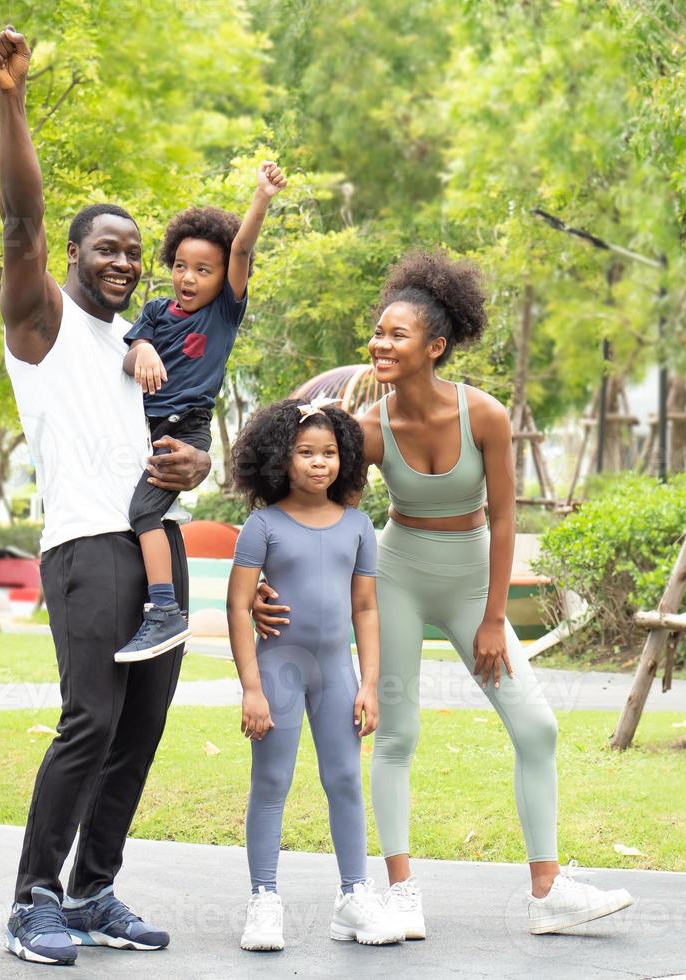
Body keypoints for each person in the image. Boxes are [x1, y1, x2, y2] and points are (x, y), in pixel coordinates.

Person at [253, 251, 634, 939]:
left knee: (536, 727)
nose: (379, 344)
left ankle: (546, 891)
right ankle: (400, 892)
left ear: (435, 346)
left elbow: (508, 517)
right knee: (397, 735)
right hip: (398, 574)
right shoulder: (366, 431)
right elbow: (306, 506)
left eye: (396, 334)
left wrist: (493, 617)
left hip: (470, 581)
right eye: (377, 332)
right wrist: (261, 588)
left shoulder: (483, 415)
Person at [0, 26, 212, 965]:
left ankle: (91, 891)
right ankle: (31, 901)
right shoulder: (41, 326)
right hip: (85, 548)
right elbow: (21, 224)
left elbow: (178, 453)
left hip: (158, 551)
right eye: (106, 248)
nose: (124, 262)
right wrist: (11, 100)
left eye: (134, 254)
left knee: (143, 729)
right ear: (73, 255)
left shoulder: (141, 352)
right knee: (93, 720)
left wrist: (192, 470)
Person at [226, 400, 403, 951]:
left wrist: (370, 683)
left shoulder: (357, 527)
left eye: (329, 453)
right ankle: (263, 900)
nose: (318, 463)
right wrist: (251, 688)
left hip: (336, 673)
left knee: (346, 781)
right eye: (305, 453)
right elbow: (238, 607)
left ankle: (354, 897)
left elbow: (367, 609)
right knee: (272, 784)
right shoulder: (262, 525)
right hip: (279, 669)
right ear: (281, 458)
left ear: (346, 459)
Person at [115, 163, 287, 663]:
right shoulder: (153, 311)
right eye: (181, 266)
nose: (189, 278)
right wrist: (143, 350)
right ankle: (153, 605)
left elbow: (241, 249)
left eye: (204, 270)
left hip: (184, 430)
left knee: (143, 513)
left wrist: (261, 197)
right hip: (138, 428)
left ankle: (165, 610)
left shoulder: (223, 313)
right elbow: (131, 351)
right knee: (135, 515)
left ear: (224, 278)